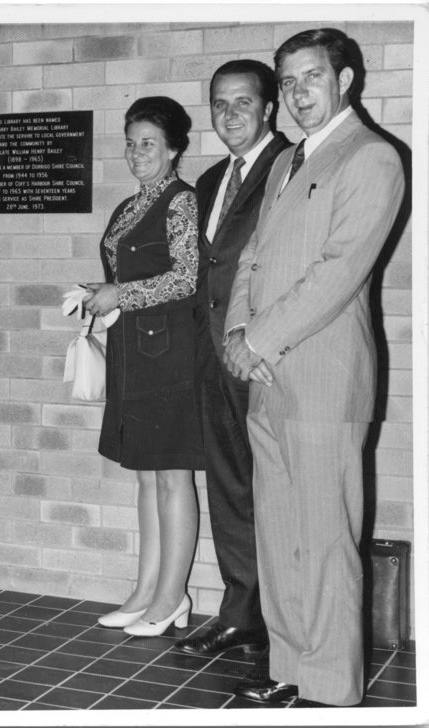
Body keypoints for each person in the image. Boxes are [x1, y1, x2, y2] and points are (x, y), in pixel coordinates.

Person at [224, 28, 404, 707]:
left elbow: (338, 273)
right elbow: (250, 259)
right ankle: (289, 669)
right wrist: (238, 333)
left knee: (325, 538)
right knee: (278, 533)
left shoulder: (372, 158)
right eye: (288, 80)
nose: (297, 93)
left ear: (345, 80)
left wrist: (259, 340)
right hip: (265, 373)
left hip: (323, 376)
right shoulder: (281, 163)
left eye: (311, 77)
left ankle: (330, 692)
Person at [174, 60, 291, 658]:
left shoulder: (296, 165)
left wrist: (259, 340)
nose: (230, 114)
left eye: (243, 102)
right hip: (214, 360)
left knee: (281, 493)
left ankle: (287, 626)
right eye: (219, 103)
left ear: (269, 107)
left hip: (269, 359)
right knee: (229, 488)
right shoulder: (210, 178)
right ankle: (242, 613)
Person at [82, 96, 204, 637]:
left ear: (174, 148)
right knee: (148, 478)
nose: (136, 153)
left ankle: (173, 597)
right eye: (130, 143)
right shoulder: (131, 205)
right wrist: (99, 294)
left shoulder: (182, 201)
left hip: (171, 356)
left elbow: (186, 279)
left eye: (148, 143)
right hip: (135, 356)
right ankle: (145, 590)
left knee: (173, 476)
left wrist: (120, 294)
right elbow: (131, 276)